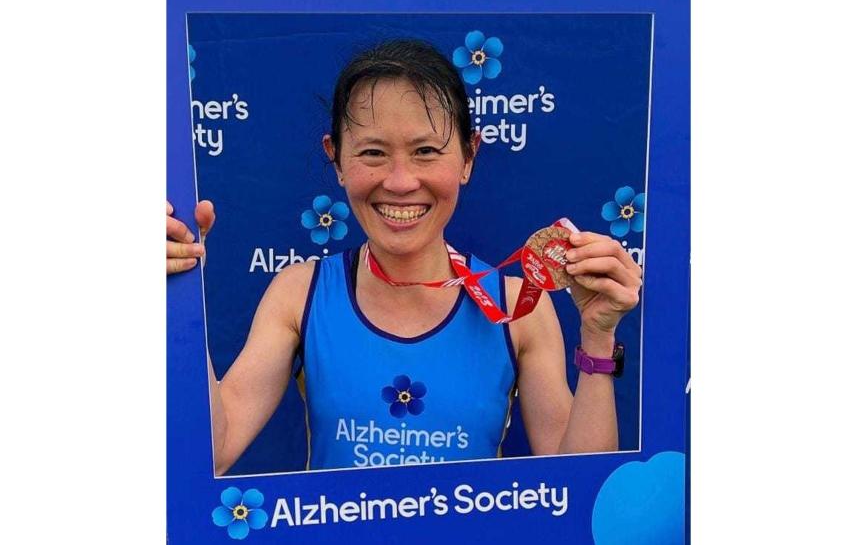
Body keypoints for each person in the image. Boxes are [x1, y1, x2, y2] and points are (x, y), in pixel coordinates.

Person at [166, 40, 642, 474]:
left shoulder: (520, 308)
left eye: (426, 151)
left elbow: (580, 487)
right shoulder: (300, 292)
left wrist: (598, 338)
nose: (399, 181)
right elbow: (215, 448)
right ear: (335, 159)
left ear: (468, 157)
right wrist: (177, 295)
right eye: (372, 153)